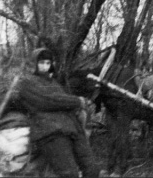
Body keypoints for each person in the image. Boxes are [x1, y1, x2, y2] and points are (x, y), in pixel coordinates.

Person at [6, 47, 100, 178]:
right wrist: (77, 101)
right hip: (50, 132)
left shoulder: (53, 82)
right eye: (41, 63)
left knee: (93, 169)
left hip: (72, 128)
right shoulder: (25, 82)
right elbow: (47, 101)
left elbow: (62, 100)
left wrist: (79, 105)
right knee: (69, 174)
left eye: (48, 63)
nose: (45, 66)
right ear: (34, 63)